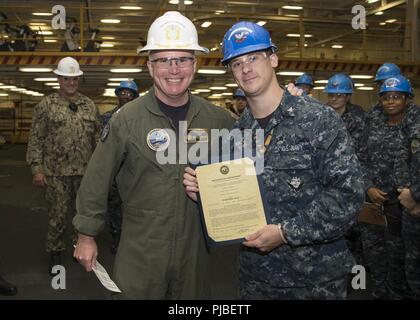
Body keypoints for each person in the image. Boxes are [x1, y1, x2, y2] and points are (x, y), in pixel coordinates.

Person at [184, 21, 365, 299]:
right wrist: (205, 194)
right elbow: (238, 199)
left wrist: (284, 233)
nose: (245, 68)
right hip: (256, 280)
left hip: (315, 282)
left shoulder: (317, 120)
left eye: (254, 57)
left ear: (273, 59)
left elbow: (347, 197)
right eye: (236, 63)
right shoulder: (237, 135)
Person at [72, 11, 234, 299]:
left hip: (195, 251)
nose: (174, 69)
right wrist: (86, 235)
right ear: (149, 66)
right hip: (140, 249)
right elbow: (97, 179)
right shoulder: (127, 120)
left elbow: (252, 165)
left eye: (183, 59)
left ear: (195, 65)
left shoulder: (219, 120)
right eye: (163, 60)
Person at [26, 57, 102, 275]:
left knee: (83, 214)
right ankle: (55, 252)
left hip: (85, 172)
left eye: (75, 79)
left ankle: (80, 249)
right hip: (55, 173)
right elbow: (36, 138)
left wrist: (100, 170)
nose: (71, 83)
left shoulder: (89, 105)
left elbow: (98, 140)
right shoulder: (46, 105)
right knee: (58, 215)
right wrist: (37, 168)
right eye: (66, 79)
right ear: (59, 79)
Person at [363, 75, 415, 299]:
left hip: (403, 205)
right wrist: (369, 187)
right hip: (374, 201)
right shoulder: (373, 126)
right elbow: (361, 158)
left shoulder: (413, 128)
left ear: (406, 99)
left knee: (400, 257)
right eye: (386, 98)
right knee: (375, 255)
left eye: (397, 97)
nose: (391, 102)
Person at [324, 73, 368, 266]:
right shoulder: (320, 115)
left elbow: (364, 153)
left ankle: (356, 279)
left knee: (354, 233)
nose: (334, 99)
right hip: (326, 180)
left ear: (348, 96)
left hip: (351, 181)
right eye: (331, 95)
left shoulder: (359, 118)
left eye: (339, 95)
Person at [102, 80, 139, 254]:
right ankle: (116, 237)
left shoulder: (143, 119)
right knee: (115, 206)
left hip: (137, 171)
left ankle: (133, 239)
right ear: (118, 95)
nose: (125, 96)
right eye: (122, 93)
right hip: (116, 170)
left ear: (134, 96)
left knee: (136, 206)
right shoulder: (108, 117)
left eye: (129, 93)